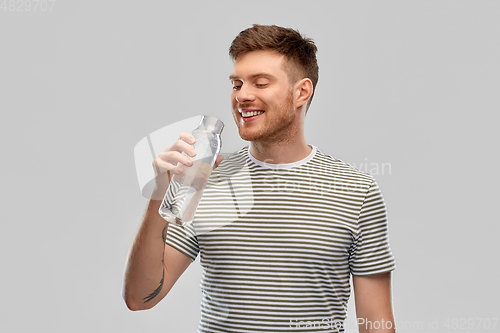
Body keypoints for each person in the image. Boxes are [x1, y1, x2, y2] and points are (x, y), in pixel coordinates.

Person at [124, 24, 396, 333]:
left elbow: (377, 322)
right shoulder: (205, 180)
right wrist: (160, 193)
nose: (242, 95)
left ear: (301, 92)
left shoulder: (355, 190)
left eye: (260, 83)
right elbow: (140, 298)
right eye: (237, 83)